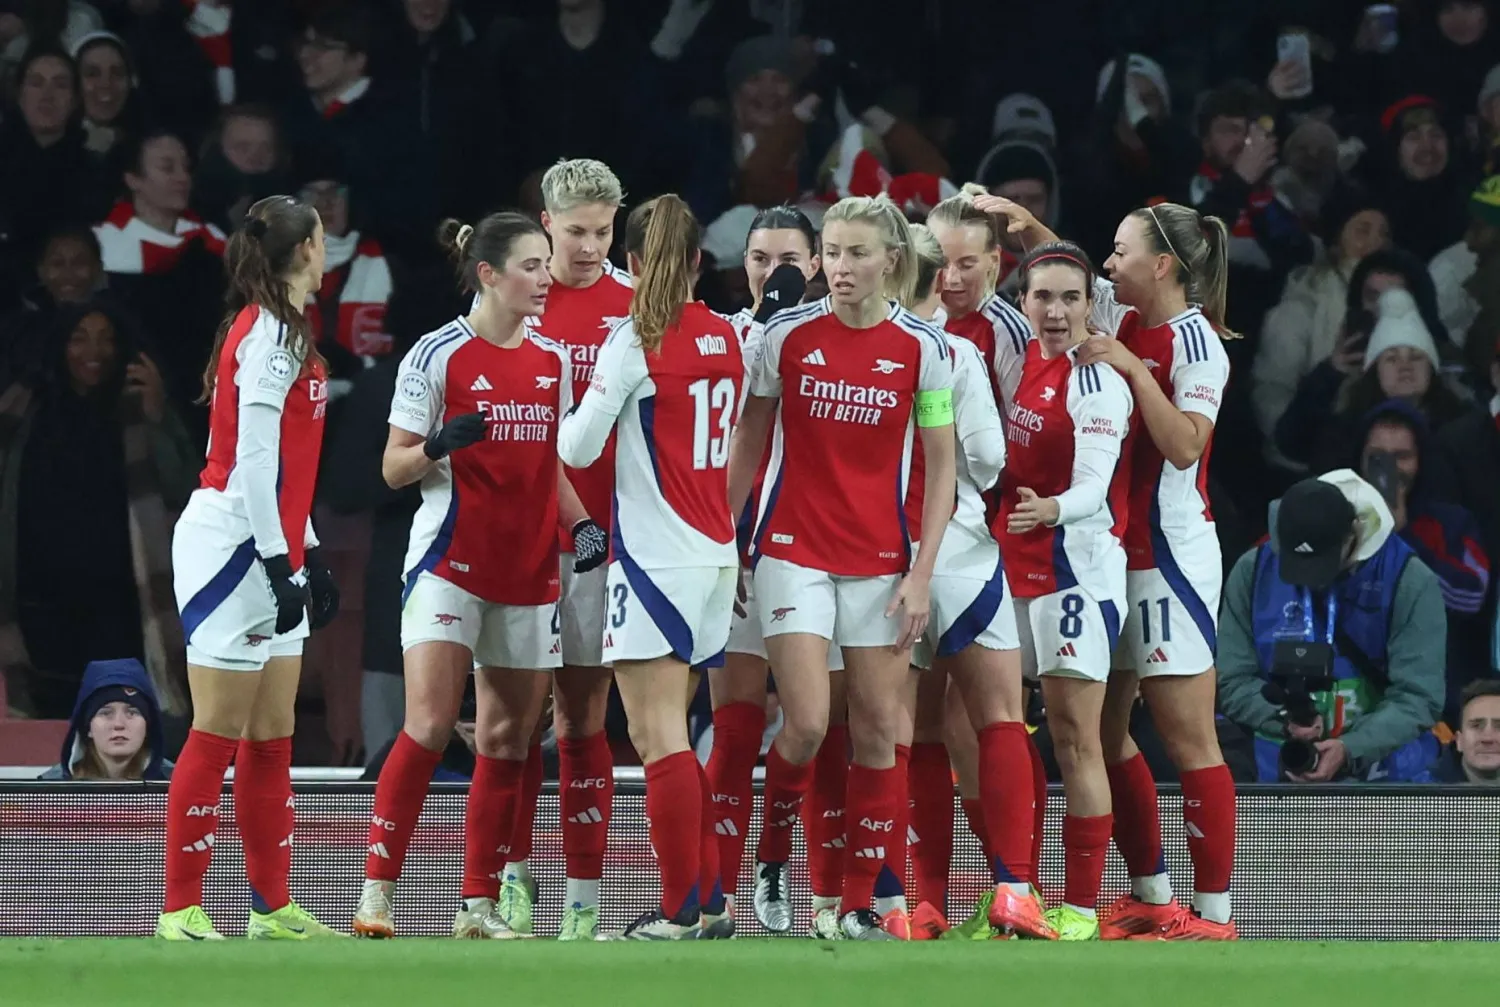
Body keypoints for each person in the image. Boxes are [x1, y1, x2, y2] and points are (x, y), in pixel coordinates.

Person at [353, 212, 592, 940]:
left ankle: (478, 906)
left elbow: (548, 464)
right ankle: (375, 895)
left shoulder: (553, 361)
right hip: (448, 562)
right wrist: (435, 445)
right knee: (427, 724)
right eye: (530, 264)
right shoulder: (437, 355)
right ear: (488, 274)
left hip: (528, 569)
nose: (545, 277)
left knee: (507, 740)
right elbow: (393, 468)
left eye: (545, 263)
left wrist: (580, 524)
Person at [728, 193, 958, 940]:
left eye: (857, 252)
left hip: (879, 563)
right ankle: (772, 854)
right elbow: (750, 443)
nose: (840, 266)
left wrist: (921, 573)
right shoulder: (787, 336)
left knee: (880, 734)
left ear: (892, 259)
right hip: (792, 553)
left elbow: (942, 469)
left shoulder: (924, 349)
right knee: (804, 723)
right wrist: (728, 539)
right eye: (830, 251)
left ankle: (858, 901)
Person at [558, 194, 741, 940]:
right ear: (700, 261)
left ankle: (676, 911)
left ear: (630, 263)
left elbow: (574, 449)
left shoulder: (635, 339)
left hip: (655, 557)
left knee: (657, 733)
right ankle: (710, 898)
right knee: (676, 726)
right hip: (716, 556)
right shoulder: (726, 335)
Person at [159, 195, 340, 941]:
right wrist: (275, 561)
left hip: (273, 542)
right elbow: (254, 466)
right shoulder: (269, 338)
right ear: (303, 253)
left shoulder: (290, 330)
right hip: (233, 544)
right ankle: (179, 908)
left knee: (272, 731)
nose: (329, 250)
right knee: (218, 728)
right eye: (323, 239)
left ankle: (271, 905)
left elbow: (287, 467)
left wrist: (311, 552)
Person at [1073, 203, 1238, 941]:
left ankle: (1214, 914)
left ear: (1162, 265)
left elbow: (1182, 446)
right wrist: (1016, 219)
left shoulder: (1200, 346)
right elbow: (1064, 275)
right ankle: (1152, 890)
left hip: (1170, 555)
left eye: (1119, 251)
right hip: (1113, 551)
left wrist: (1135, 367)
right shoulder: (1122, 311)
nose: (1108, 265)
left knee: (1186, 734)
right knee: (1102, 731)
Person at [703, 204, 848, 928]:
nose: (772, 272)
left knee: (814, 726)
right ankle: (717, 894)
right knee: (731, 728)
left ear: (817, 264)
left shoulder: (831, 338)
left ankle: (776, 863)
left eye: (788, 260)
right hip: (733, 552)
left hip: (811, 552)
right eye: (760, 260)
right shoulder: (725, 335)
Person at [899, 225, 1043, 940]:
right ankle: (1015, 888)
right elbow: (987, 458)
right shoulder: (953, 350)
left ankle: (917, 899)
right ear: (935, 283)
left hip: (881, 556)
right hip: (959, 549)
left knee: (907, 730)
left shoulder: (858, 347)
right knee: (997, 717)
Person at [499, 158, 630, 942]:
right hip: (518, 537)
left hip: (601, 543)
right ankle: (513, 878)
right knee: (512, 724)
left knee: (584, 720)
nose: (587, 247)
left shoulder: (631, 307)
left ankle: (583, 897)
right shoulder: (517, 300)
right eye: (575, 231)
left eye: (602, 232)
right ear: (545, 222)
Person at [997, 241, 1133, 942]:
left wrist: (1052, 509)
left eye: (1070, 298)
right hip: (1016, 564)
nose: (1055, 311)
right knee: (1005, 732)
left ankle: (1080, 907)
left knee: (1076, 738)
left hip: (1075, 570)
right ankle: (1020, 891)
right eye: (1042, 297)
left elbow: (1094, 483)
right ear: (1023, 304)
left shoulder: (1095, 379)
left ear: (1090, 306)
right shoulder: (1025, 362)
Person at [0, 298, 197, 720]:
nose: (94, 351)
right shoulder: (23, 408)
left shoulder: (137, 409)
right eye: (80, 338)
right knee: (48, 720)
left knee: (116, 719)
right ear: (59, 345)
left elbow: (186, 488)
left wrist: (158, 414)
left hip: (121, 603)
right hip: (39, 605)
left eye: (107, 339)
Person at [1217, 472, 1446, 784]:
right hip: (1275, 773)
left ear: (1353, 536)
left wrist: (1351, 748)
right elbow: (1232, 680)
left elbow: (1419, 695)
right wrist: (1284, 721)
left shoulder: (1409, 579)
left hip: (1387, 777)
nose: (1309, 578)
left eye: (1321, 563)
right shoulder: (1253, 571)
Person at [39, 658, 171, 781]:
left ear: (147, 726)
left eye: (131, 713)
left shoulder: (179, 784)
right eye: (106, 713)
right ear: (88, 728)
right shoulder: (48, 790)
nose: (118, 724)